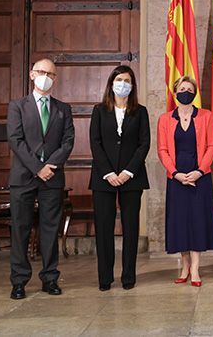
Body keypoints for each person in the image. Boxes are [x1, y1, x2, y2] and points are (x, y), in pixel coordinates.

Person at [7, 58, 75, 300]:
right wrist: (38, 168)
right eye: (41, 72)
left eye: (51, 73)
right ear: (32, 74)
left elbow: (68, 142)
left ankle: (49, 278)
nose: (46, 76)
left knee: (49, 229)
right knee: (20, 229)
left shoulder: (63, 109)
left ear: (55, 79)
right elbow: (15, 140)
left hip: (52, 178)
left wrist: (50, 166)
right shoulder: (17, 106)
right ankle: (19, 281)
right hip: (24, 177)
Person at [89, 65, 150, 291]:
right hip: (103, 178)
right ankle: (105, 278)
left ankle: (128, 277)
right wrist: (108, 173)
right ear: (111, 83)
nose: (122, 83)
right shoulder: (99, 110)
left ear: (132, 85)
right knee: (103, 228)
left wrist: (126, 172)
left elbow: (144, 144)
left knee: (130, 228)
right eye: (119, 79)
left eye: (127, 80)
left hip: (131, 177)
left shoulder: (140, 111)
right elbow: (95, 143)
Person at [158, 76, 213, 287]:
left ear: (195, 93)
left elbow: (212, 146)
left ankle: (195, 268)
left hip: (199, 177)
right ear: (175, 92)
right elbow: (162, 150)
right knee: (181, 223)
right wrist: (175, 174)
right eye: (182, 88)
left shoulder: (206, 116)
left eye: (189, 89)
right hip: (176, 178)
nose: (185, 91)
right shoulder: (165, 119)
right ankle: (184, 265)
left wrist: (199, 171)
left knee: (197, 221)